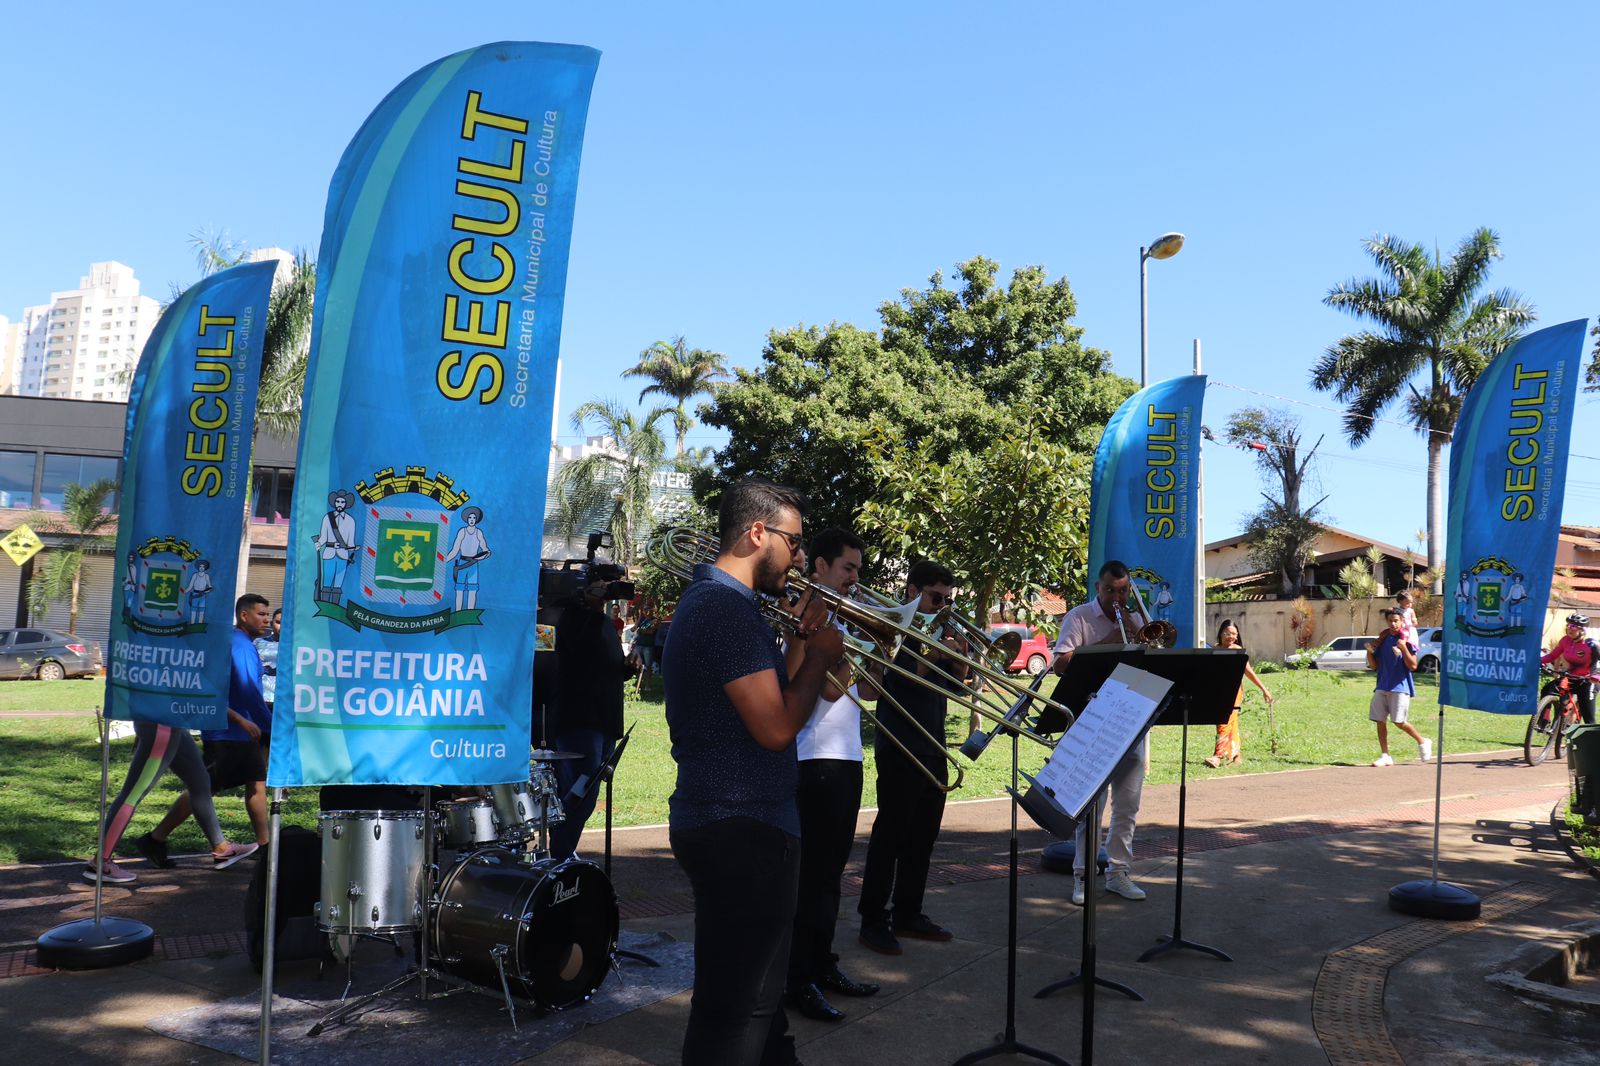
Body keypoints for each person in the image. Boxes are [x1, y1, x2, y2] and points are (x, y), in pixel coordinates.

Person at [664, 477, 845, 1066]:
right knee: (737, 1011)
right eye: (793, 543)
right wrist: (822, 654)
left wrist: (802, 642)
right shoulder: (723, 611)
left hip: (738, 820)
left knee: (755, 1008)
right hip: (743, 825)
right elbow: (775, 729)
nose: (797, 557)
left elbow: (779, 698)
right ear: (756, 532)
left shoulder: (725, 606)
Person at [783, 528, 879, 1021]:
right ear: (818, 566)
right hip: (814, 759)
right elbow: (824, 690)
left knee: (829, 878)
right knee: (812, 880)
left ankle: (822, 964)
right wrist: (860, 650)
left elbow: (870, 693)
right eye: (849, 568)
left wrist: (885, 647)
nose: (856, 578)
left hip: (846, 759)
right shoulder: (803, 615)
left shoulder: (843, 616)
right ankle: (798, 980)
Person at [857, 559, 966, 955]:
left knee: (923, 837)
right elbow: (899, 674)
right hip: (899, 745)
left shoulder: (940, 631)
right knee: (891, 836)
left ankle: (908, 912)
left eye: (946, 599)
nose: (941, 605)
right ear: (912, 591)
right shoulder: (893, 629)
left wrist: (958, 658)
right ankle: (872, 918)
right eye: (936, 597)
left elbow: (959, 689)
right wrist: (938, 653)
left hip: (933, 745)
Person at [1049, 560, 1149, 906]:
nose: (1118, 598)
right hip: (1092, 719)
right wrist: (1105, 643)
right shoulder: (1078, 617)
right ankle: (1082, 876)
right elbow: (1060, 663)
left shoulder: (1137, 620)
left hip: (1130, 718)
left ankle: (1119, 873)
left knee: (1128, 804)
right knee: (1091, 804)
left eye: (1123, 591)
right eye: (1111, 590)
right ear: (1098, 587)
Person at [145, 594, 276, 850]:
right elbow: (249, 691)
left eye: (267, 615)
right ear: (244, 615)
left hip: (242, 731)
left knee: (255, 784)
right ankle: (156, 838)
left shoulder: (240, 642)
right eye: (261, 614)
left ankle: (266, 846)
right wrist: (270, 726)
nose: (266, 620)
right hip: (230, 733)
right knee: (202, 788)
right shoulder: (240, 646)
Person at [548, 562, 635, 860]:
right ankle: (559, 854)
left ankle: (564, 851)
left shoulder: (603, 623)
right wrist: (594, 610)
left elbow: (600, 666)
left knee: (589, 793)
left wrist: (626, 669)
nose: (610, 591)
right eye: (605, 585)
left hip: (604, 720)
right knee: (577, 792)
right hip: (580, 721)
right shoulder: (574, 619)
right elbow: (574, 660)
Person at [1204, 619, 1273, 768]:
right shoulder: (1215, 649)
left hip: (1234, 692)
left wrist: (1264, 689)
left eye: (1234, 634)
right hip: (1218, 691)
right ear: (1221, 633)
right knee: (1231, 723)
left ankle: (1218, 756)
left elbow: (1249, 672)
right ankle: (1236, 756)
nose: (1231, 636)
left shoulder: (1238, 651)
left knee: (1224, 722)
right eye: (1228, 633)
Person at [1367, 608, 1430, 766]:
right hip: (1382, 686)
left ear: (1402, 622)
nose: (1393, 624)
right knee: (1380, 720)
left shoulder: (1407, 641)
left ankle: (1423, 741)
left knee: (1399, 722)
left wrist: (1402, 648)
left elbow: (1413, 665)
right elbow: (1374, 665)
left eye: (1396, 621)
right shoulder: (1383, 640)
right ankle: (1385, 755)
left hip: (1400, 687)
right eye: (1390, 621)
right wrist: (1369, 652)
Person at [1540, 614, 1598, 725]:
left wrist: (1596, 675)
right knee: (1547, 689)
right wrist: (1538, 661)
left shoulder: (1591, 644)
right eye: (1569, 625)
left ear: (1583, 630)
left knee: (1588, 718)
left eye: (1574, 626)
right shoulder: (1565, 641)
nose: (1570, 628)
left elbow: (1598, 661)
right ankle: (1544, 720)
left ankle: (1593, 740)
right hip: (1571, 677)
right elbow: (1552, 656)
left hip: (1587, 681)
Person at [254, 607, 282, 713]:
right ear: (271, 623)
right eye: (278, 622)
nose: (281, 626)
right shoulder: (257, 643)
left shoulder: (297, 646)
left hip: (284, 700)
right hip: (261, 698)